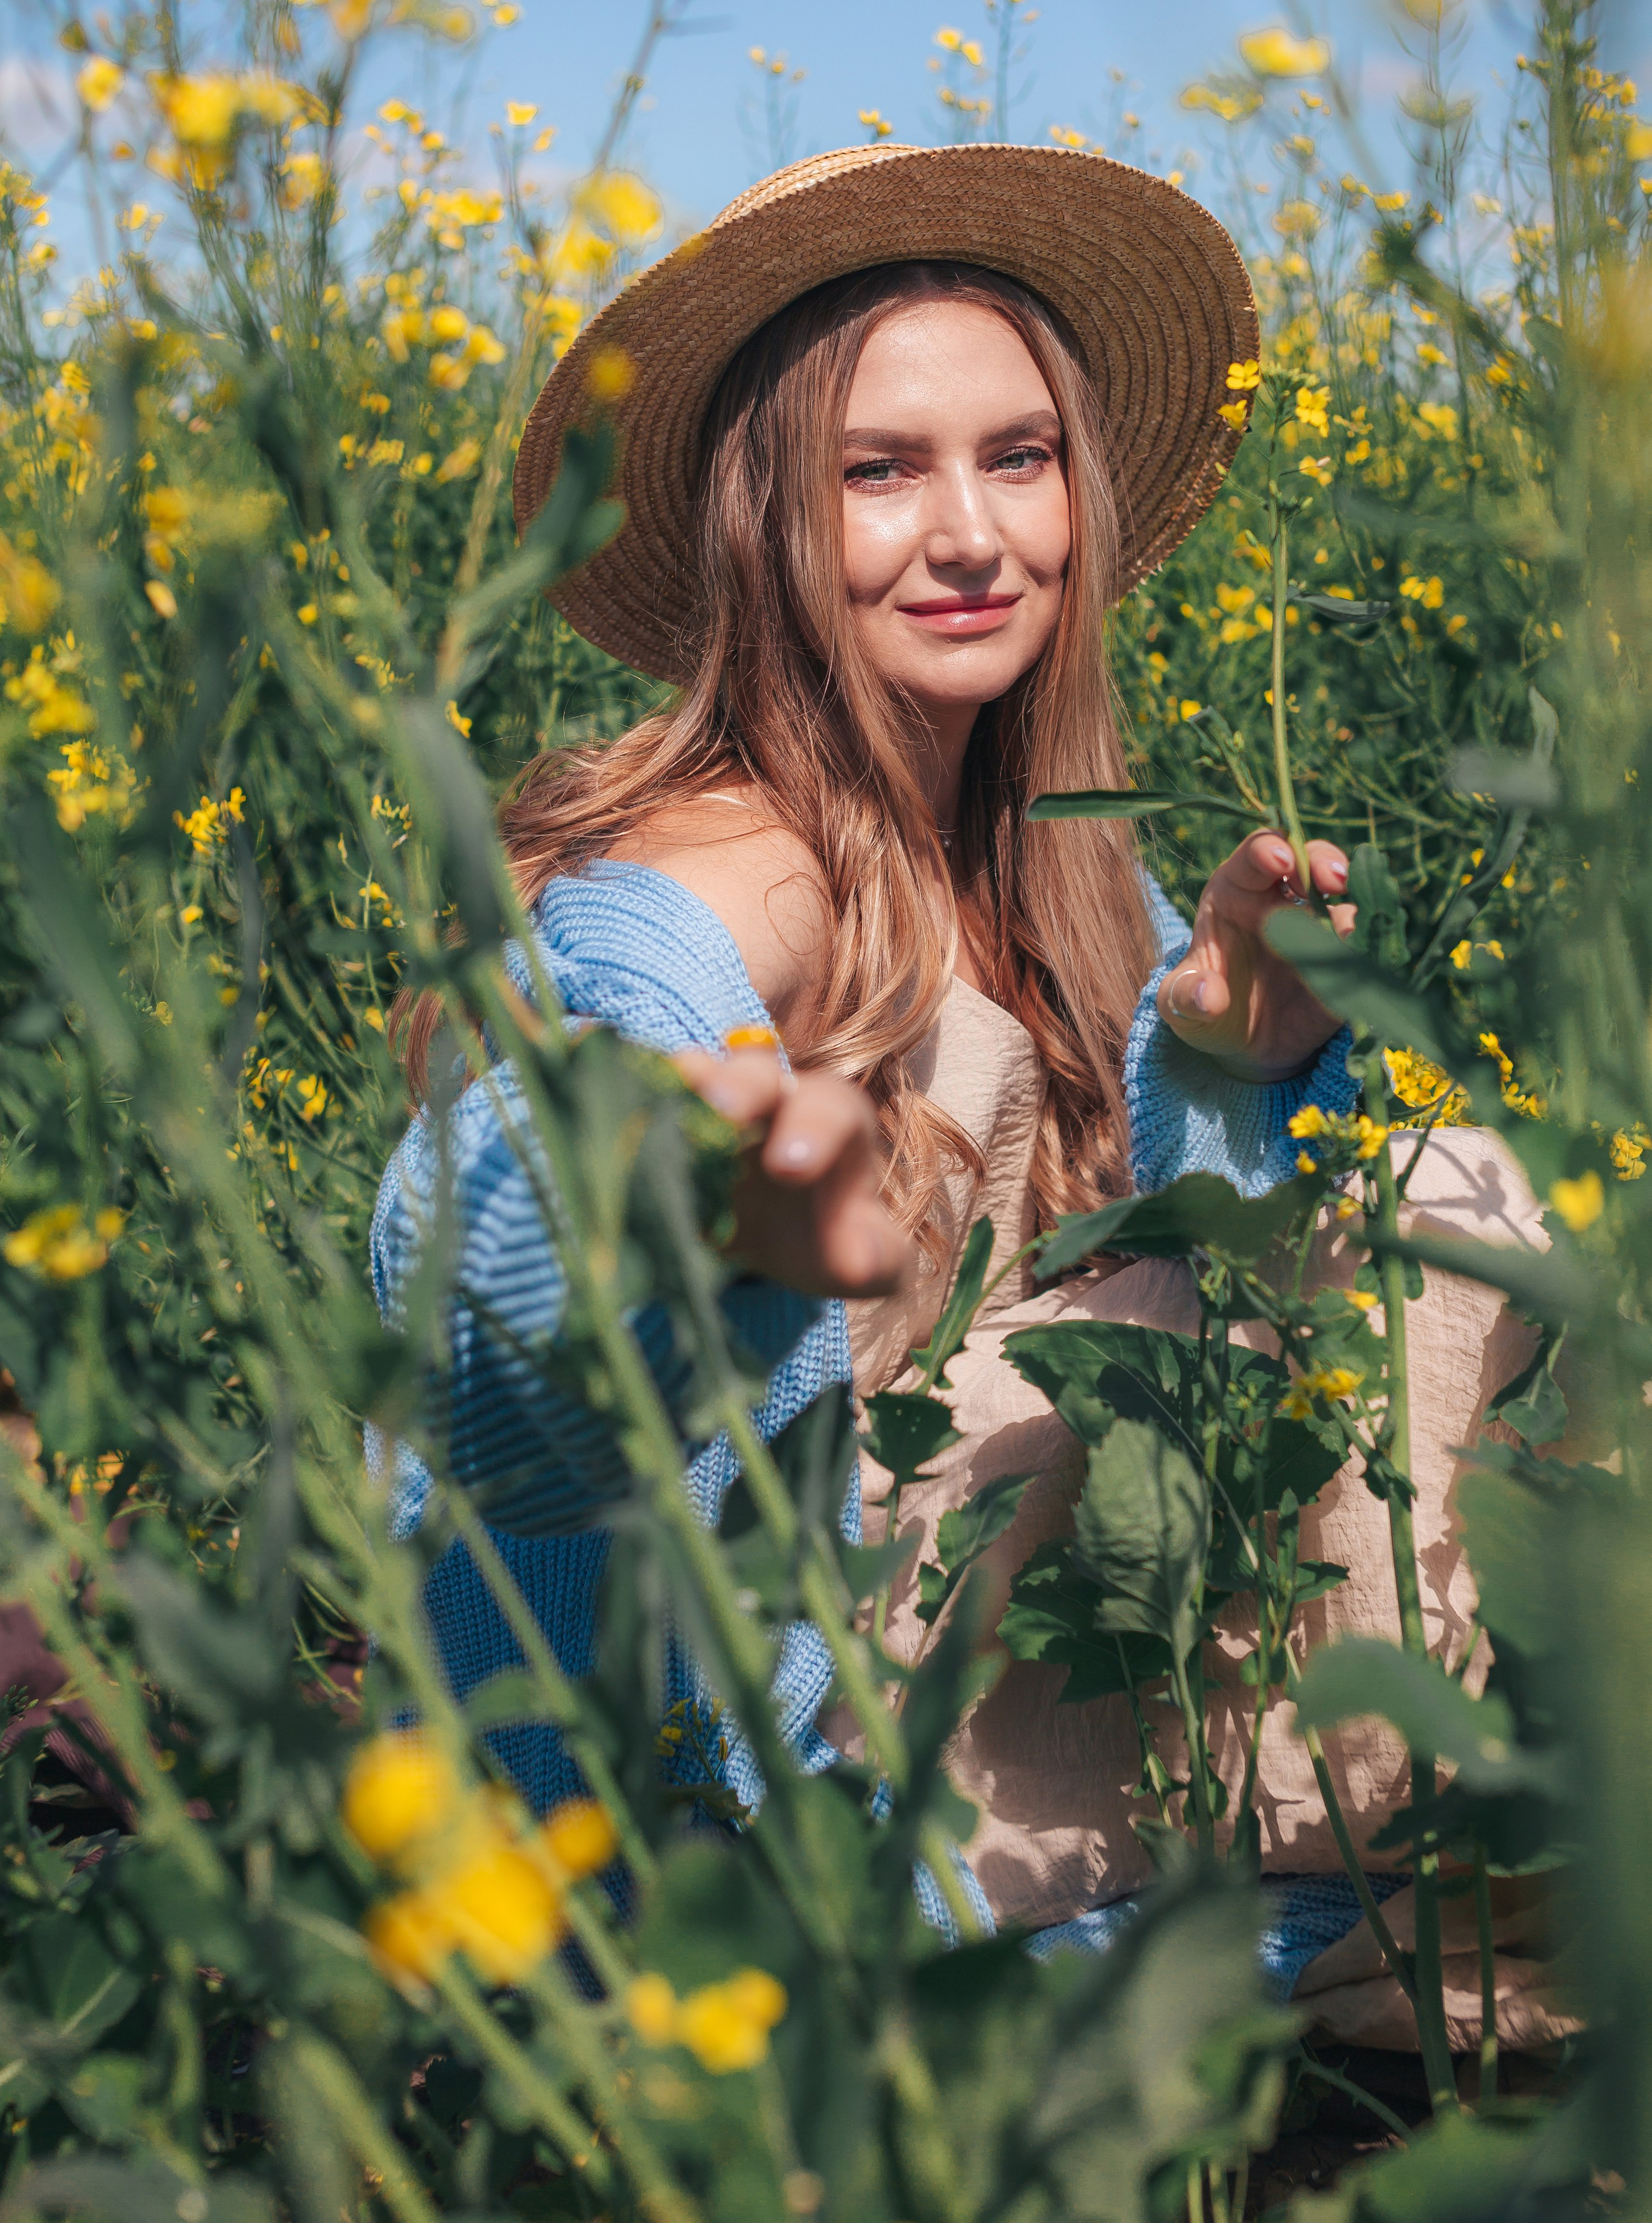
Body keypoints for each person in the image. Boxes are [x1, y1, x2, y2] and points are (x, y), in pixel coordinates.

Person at [374, 142, 1556, 2034]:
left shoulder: (1056, 856)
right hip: (723, 1771)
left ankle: (1337, 1826)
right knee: (1379, 1232)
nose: (974, 535)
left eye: (1017, 459)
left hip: (976, 1630)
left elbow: (1126, 1246)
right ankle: (1329, 1832)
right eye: (879, 471)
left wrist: (1222, 1065)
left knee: (1435, 1197)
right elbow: (475, 1287)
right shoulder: (667, 913)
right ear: (768, 519)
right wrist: (677, 1213)